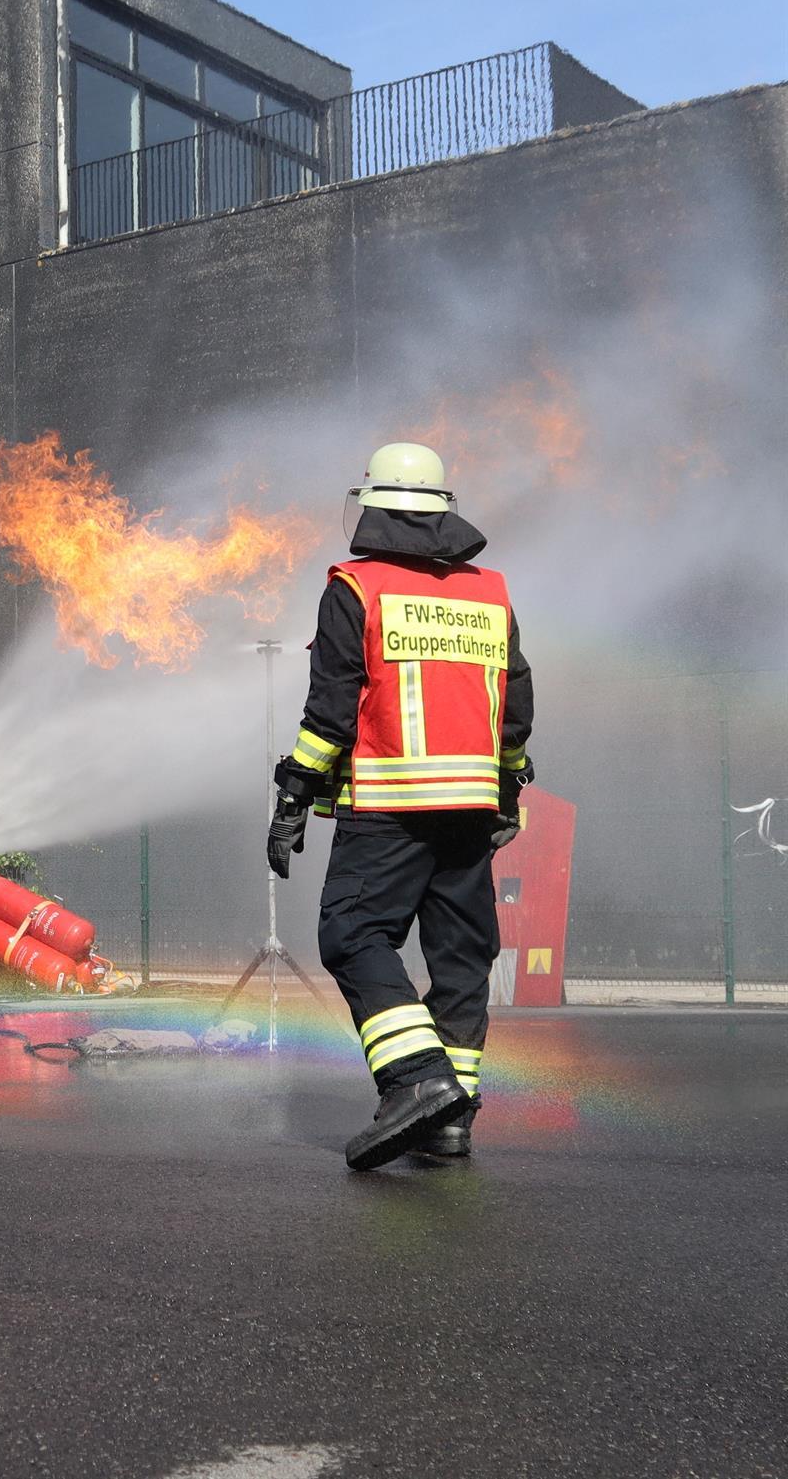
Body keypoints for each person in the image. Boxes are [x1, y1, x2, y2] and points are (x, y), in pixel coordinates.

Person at [268, 443, 534, 1170]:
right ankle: (453, 1121)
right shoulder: (490, 593)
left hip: (389, 802)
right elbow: (515, 709)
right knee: (461, 955)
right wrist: (508, 788)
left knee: (352, 933)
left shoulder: (356, 589)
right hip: (471, 809)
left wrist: (294, 793)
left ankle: (418, 1082)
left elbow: (330, 711)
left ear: (376, 508)